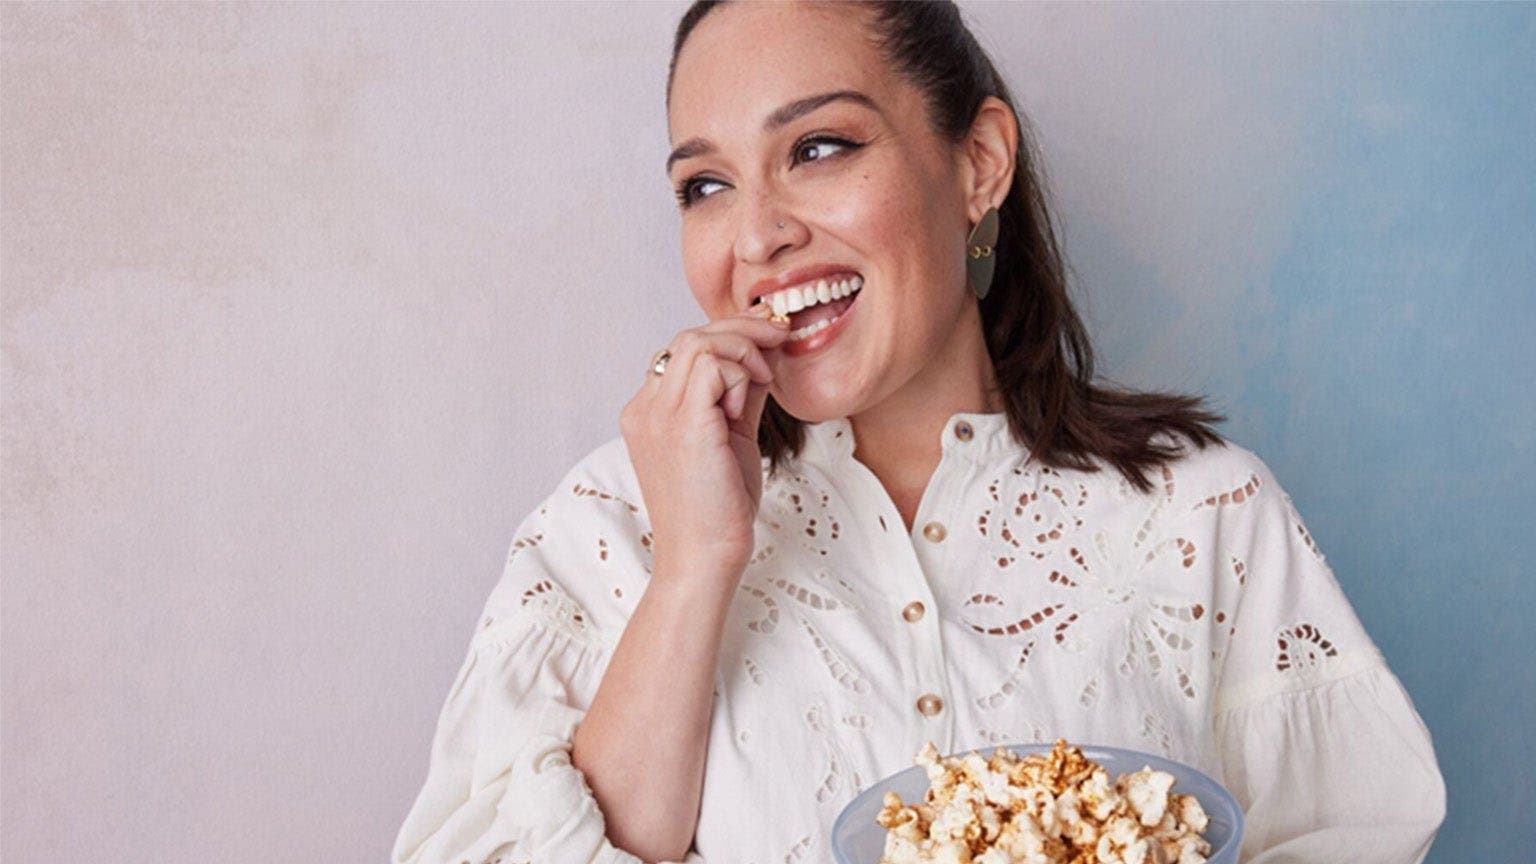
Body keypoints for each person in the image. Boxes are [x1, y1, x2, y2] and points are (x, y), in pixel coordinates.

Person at [391, 2, 1446, 862]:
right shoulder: (605, 526)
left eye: (818, 147)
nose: (756, 234)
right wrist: (694, 565)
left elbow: (1356, 831)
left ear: (978, 162)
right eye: (705, 185)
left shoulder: (1203, 512)